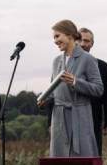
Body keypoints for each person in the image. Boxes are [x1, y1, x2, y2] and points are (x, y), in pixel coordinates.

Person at [41, 19, 103, 157]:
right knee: (60, 164)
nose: (55, 41)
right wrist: (46, 99)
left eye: (57, 36)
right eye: (54, 37)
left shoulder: (88, 59)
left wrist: (76, 82)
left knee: (82, 164)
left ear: (69, 35)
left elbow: (99, 89)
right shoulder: (56, 61)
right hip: (59, 119)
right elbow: (54, 89)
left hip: (80, 117)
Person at [79, 27, 107, 156]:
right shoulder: (65, 64)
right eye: (80, 40)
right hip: (71, 119)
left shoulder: (102, 66)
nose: (83, 44)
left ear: (92, 44)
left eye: (87, 41)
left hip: (94, 118)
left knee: (94, 155)